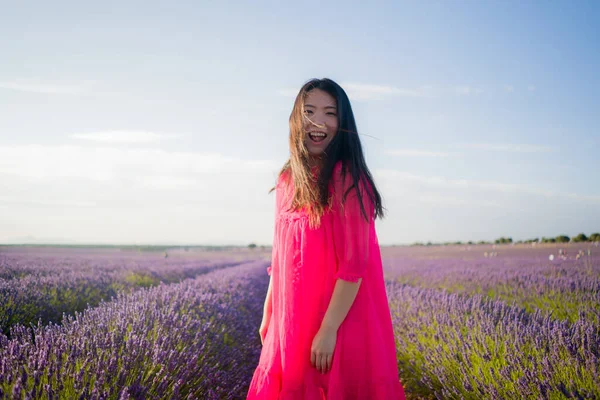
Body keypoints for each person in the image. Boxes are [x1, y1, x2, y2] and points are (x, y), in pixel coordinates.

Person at [246, 78, 406, 399]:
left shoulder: (347, 179)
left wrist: (329, 328)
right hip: (293, 322)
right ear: (296, 120)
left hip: (341, 322)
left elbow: (354, 265)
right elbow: (280, 257)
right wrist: (269, 314)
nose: (318, 122)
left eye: (329, 113)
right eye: (309, 112)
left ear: (342, 122)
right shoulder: (287, 179)